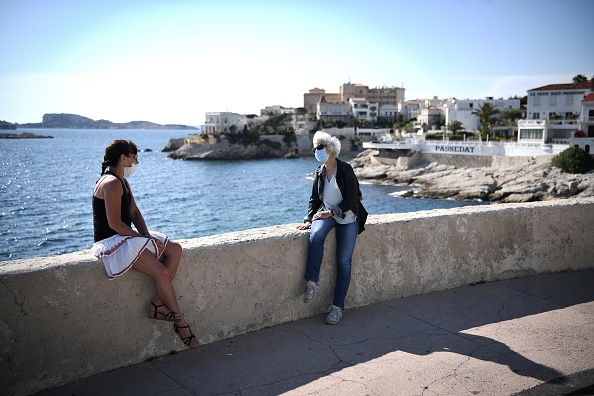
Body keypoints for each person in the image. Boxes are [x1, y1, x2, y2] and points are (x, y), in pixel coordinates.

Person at [91, 139, 199, 348]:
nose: (137, 162)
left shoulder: (122, 181)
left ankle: (158, 304)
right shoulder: (110, 183)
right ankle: (180, 320)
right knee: (161, 273)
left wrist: (147, 235)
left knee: (174, 249)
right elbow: (114, 223)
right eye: (133, 157)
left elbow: (133, 212)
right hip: (114, 240)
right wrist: (141, 239)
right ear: (123, 158)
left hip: (127, 235)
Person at [297, 131, 367, 325]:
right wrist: (309, 219)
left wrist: (334, 212)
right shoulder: (319, 172)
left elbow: (353, 198)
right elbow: (314, 200)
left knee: (343, 262)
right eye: (314, 148)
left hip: (347, 216)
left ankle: (337, 308)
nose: (315, 151)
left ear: (329, 149)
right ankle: (312, 283)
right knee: (315, 236)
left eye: (318, 147)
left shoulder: (345, 169)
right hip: (326, 214)